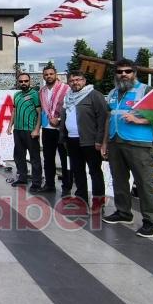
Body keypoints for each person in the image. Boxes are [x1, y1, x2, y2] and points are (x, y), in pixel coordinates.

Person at [101, 59, 153, 238]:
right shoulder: (113, 92)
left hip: (138, 143)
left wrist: (139, 120)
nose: (124, 74)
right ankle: (123, 212)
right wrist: (104, 142)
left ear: (134, 72)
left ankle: (152, 222)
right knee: (119, 180)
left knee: (144, 183)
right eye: (120, 71)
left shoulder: (145, 90)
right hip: (115, 141)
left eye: (127, 71)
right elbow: (108, 118)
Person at [60, 71, 108, 211]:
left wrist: (99, 140)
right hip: (71, 140)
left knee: (94, 171)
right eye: (72, 80)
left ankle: (99, 202)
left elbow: (102, 119)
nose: (75, 82)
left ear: (84, 80)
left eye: (78, 79)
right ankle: (81, 199)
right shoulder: (68, 97)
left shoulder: (94, 95)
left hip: (90, 141)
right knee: (77, 170)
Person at [7, 73, 42, 188]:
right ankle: (22, 178)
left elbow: (39, 113)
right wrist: (9, 126)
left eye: (26, 81)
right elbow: (14, 111)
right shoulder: (16, 95)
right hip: (18, 130)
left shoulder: (35, 94)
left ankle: (36, 183)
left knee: (34, 157)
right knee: (18, 156)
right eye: (21, 81)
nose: (23, 83)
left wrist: (37, 129)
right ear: (18, 82)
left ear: (29, 81)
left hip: (30, 130)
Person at [39, 65, 69, 194]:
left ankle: (66, 187)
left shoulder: (66, 89)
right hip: (47, 128)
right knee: (48, 158)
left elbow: (69, 108)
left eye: (51, 74)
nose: (49, 76)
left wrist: (59, 119)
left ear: (56, 74)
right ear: (43, 76)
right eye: (46, 74)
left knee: (64, 159)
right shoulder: (42, 91)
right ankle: (49, 184)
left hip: (61, 128)